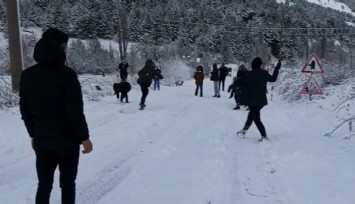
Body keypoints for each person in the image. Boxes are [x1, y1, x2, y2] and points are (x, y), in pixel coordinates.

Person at [19, 28, 93, 204]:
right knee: (67, 184)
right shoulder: (67, 74)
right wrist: (85, 137)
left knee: (44, 184)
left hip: (43, 141)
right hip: (68, 141)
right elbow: (74, 110)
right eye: (65, 45)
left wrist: (33, 134)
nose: (66, 49)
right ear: (59, 46)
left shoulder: (27, 75)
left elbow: (25, 109)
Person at [236, 57, 281, 142]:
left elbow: (241, 84)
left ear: (253, 64)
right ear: (260, 64)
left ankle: (264, 137)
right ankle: (243, 131)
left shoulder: (248, 74)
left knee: (256, 119)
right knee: (251, 115)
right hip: (261, 100)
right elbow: (273, 79)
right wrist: (277, 69)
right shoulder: (264, 73)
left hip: (252, 100)